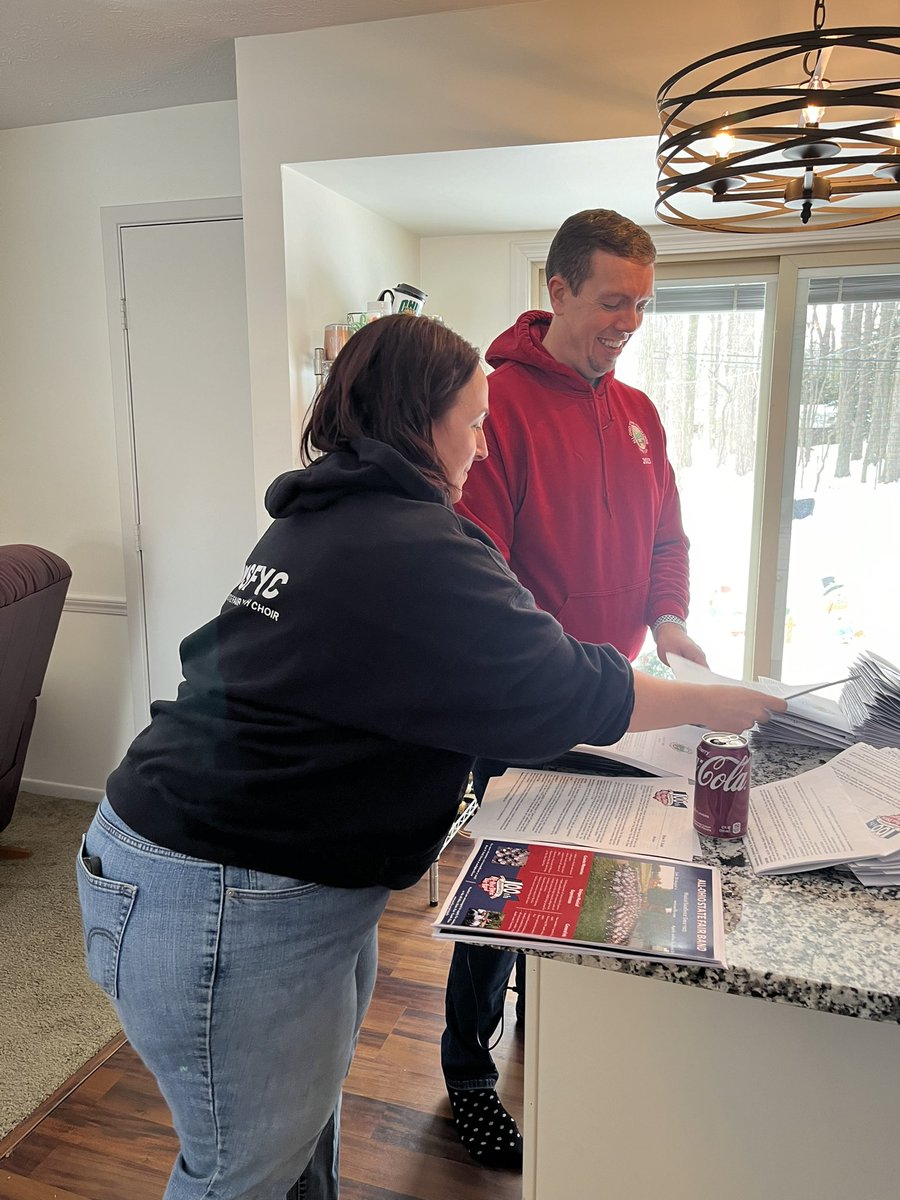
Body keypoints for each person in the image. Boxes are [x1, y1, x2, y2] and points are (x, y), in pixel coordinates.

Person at [75, 314, 781, 1200]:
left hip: (214, 863)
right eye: (476, 420)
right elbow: (565, 688)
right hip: (225, 891)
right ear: (422, 417)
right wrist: (726, 700)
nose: (483, 448)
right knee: (239, 1173)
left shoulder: (320, 516)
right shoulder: (410, 543)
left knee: (293, 1144)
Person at [440, 208, 710, 1170]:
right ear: (556, 291)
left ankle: (557, 1031)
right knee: (505, 903)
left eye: (641, 304)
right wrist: (568, 669)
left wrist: (669, 620)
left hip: (622, 708)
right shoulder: (495, 404)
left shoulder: (639, 414)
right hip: (523, 703)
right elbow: (485, 573)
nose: (627, 321)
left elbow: (665, 542)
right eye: (610, 301)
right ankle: (469, 1074)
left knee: (599, 887)